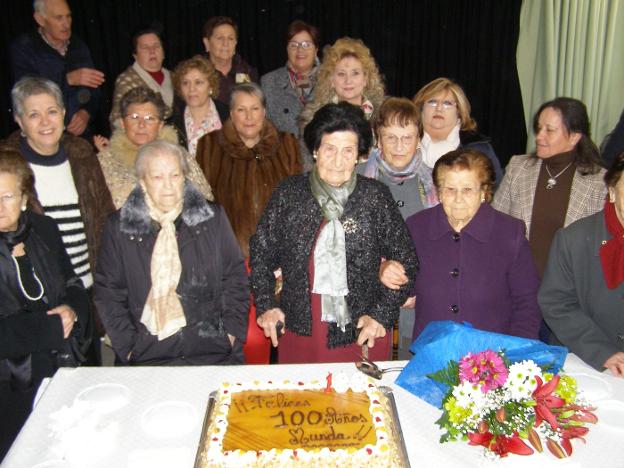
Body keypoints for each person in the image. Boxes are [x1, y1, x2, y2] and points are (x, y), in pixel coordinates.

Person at [249, 102, 418, 364]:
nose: (339, 161)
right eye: (330, 149)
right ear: (315, 150)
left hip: (363, 332)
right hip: (301, 329)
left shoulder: (374, 197)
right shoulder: (289, 194)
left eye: (348, 150)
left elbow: (408, 259)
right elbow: (261, 254)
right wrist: (267, 305)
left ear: (359, 155)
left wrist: (381, 315)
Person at [94, 140, 249, 366]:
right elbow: (108, 292)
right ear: (142, 182)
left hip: (212, 353)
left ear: (184, 177)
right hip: (147, 356)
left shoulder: (211, 218)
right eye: (157, 177)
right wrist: (129, 347)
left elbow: (235, 277)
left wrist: (230, 332)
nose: (168, 186)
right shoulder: (120, 227)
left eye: (175, 175)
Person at [1, 76, 113, 365]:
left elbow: (105, 216)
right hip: (33, 306)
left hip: (84, 291)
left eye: (52, 111)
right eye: (33, 114)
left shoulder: (83, 154)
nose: (45, 121)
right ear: (18, 120)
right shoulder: (7, 168)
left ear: (64, 114)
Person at [196, 82, 301, 364]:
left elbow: (299, 202)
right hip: (231, 258)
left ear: (265, 111)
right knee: (247, 336)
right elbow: (201, 205)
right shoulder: (210, 146)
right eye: (241, 110)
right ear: (230, 113)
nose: (249, 116)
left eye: (255, 109)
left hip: (280, 258)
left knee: (284, 332)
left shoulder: (287, 144)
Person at [0, 150, 91, 459]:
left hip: (61, 368)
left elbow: (72, 282)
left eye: (8, 196)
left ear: (24, 198)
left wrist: (73, 310)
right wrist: (50, 327)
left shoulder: (44, 229)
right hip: (9, 386)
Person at [404, 149, 541, 341]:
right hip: (432, 351)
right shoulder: (416, 227)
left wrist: (514, 355)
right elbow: (404, 285)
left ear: (483, 192)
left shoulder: (510, 233)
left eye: (467, 189)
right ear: (439, 193)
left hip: (491, 357)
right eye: (450, 189)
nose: (458, 198)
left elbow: (527, 304)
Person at [358, 97, 437, 359]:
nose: (400, 147)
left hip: (420, 307)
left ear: (419, 139)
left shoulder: (436, 183)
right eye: (391, 137)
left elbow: (444, 244)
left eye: (408, 137)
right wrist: (378, 267)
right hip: (366, 304)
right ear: (377, 139)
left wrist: (418, 286)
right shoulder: (355, 180)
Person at [493, 97, 606, 277]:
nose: (539, 136)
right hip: (516, 282)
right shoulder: (518, 168)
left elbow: (599, 248)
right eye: (539, 128)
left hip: (568, 290)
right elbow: (495, 223)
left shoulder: (599, 183)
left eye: (550, 130)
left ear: (574, 137)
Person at [539, 153, 624, 377]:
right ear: (613, 192)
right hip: (586, 360)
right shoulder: (573, 239)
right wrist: (603, 352)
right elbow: (556, 303)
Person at [98, 87, 212, 209]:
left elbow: (205, 201)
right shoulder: (105, 162)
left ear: (160, 126)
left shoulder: (180, 157)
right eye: (134, 117)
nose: (141, 125)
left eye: (150, 118)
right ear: (122, 123)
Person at [9, 0, 105, 137]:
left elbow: (94, 90)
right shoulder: (25, 48)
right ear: (40, 19)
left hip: (80, 136)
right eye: (59, 18)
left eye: (68, 16)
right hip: (43, 134)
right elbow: (26, 93)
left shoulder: (78, 46)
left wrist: (86, 113)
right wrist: (67, 79)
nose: (66, 24)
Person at [412, 77, 502, 182]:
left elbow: (495, 191)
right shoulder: (404, 143)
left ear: (459, 111)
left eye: (447, 104)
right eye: (432, 102)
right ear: (421, 108)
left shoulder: (478, 148)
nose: (439, 109)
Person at [261, 20, 320, 137]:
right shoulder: (268, 82)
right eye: (294, 45)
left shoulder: (332, 80)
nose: (300, 50)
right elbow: (263, 130)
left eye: (306, 45)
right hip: (284, 153)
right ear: (286, 49)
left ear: (316, 50)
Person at [109, 27, 174, 127]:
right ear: (135, 55)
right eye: (145, 47)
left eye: (156, 46)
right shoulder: (126, 80)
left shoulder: (175, 77)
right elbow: (117, 119)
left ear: (163, 52)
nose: (152, 51)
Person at [170, 55, 229, 156]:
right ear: (180, 89)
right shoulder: (171, 124)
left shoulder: (229, 115)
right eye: (185, 83)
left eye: (198, 82)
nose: (191, 89)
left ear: (210, 86)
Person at [202, 16, 258, 105]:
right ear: (207, 43)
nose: (225, 43)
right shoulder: (197, 74)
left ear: (235, 43)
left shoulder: (249, 72)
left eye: (230, 38)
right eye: (220, 38)